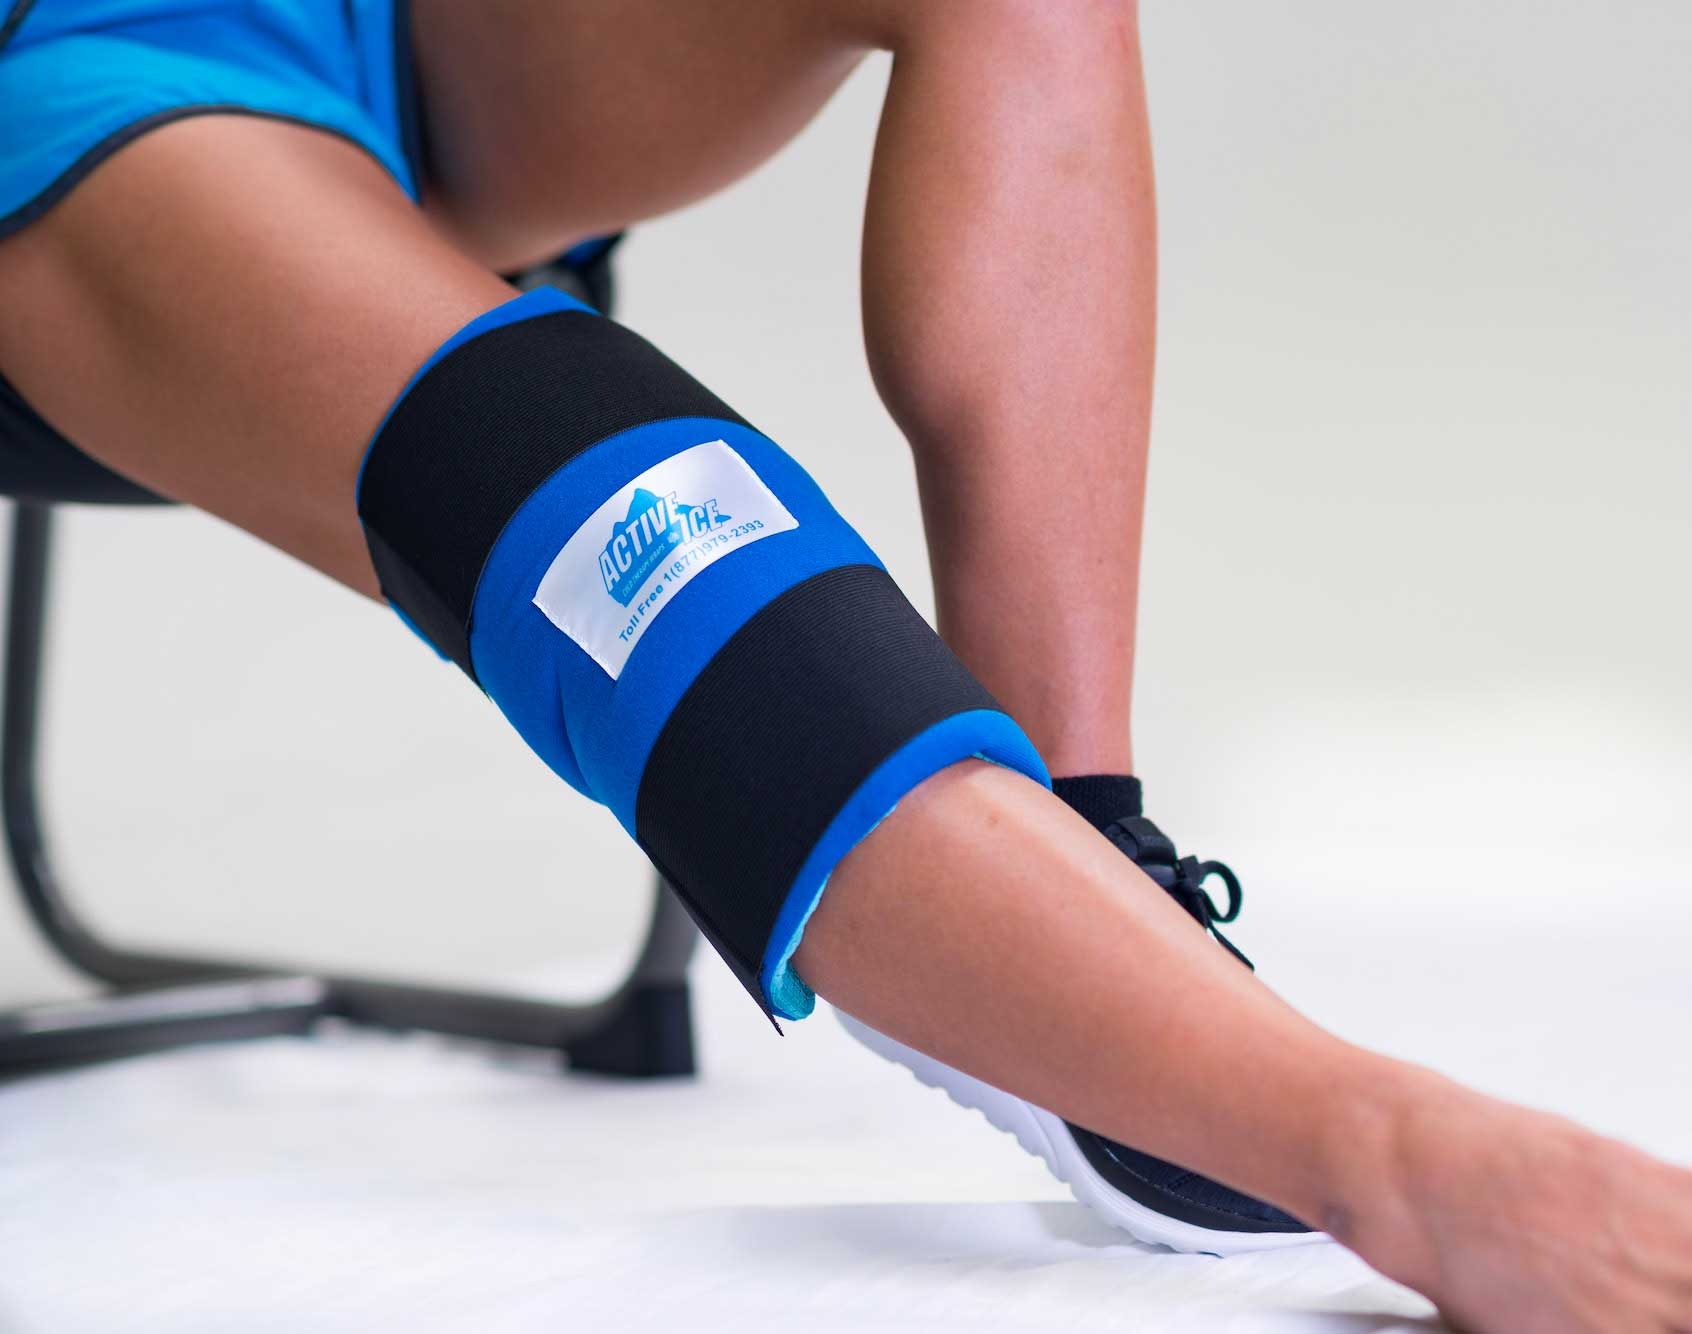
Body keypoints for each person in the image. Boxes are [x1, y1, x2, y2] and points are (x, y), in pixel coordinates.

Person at [0, 2, 1686, 1329]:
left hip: (381, 26)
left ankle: (1083, 889)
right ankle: (1367, 1140)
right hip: (66, 79)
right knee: (619, 513)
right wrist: (1400, 1154)